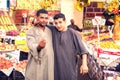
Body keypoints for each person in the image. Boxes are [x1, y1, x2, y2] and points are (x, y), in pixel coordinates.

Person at [51, 13, 89, 80]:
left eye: (60, 22)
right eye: (56, 23)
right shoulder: (54, 31)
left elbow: (83, 50)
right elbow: (42, 23)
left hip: (69, 68)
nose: (58, 25)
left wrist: (84, 64)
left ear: (65, 21)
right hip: (56, 69)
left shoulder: (72, 33)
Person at [25, 9, 54, 80]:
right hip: (36, 64)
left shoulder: (50, 31)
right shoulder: (30, 32)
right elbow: (31, 45)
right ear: (37, 18)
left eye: (46, 18)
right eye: (42, 18)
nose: (44, 20)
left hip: (49, 63)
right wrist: (39, 47)